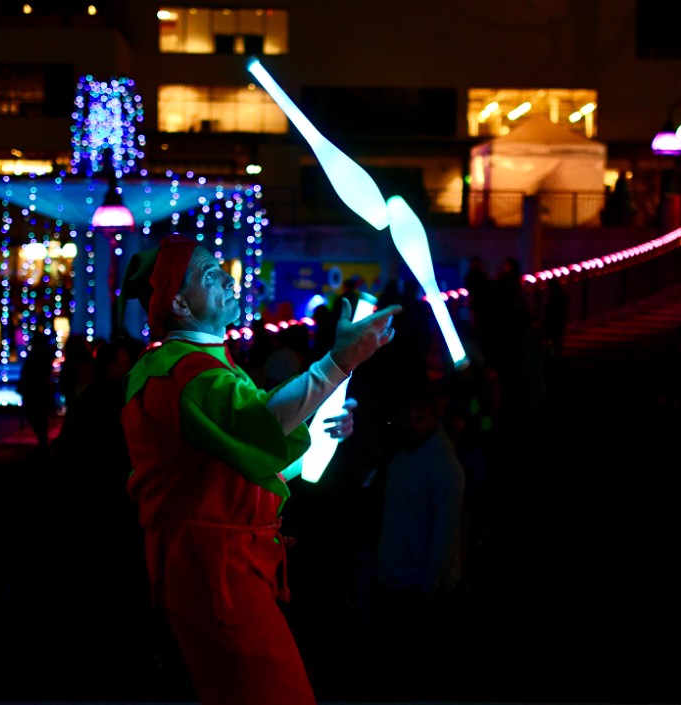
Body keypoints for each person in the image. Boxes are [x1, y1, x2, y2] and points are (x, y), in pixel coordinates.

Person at [117, 234, 401, 705]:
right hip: (215, 574)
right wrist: (340, 361)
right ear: (180, 306)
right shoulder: (186, 374)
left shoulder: (194, 364)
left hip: (221, 568)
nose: (227, 277)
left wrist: (316, 443)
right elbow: (262, 424)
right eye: (209, 275)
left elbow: (243, 466)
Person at [370, 387, 466, 688]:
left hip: (420, 583)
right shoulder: (401, 457)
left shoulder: (443, 466)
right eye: (407, 418)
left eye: (419, 417)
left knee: (418, 669)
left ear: (433, 419)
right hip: (395, 576)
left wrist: (431, 580)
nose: (412, 424)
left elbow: (447, 527)